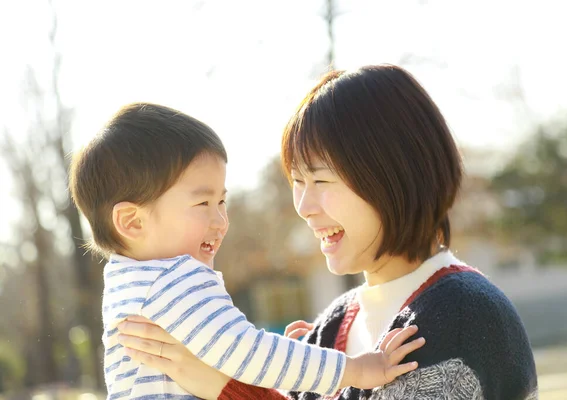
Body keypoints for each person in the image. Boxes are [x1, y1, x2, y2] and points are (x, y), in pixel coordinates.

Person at [117, 65, 539, 399]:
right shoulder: (331, 327)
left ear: (394, 175)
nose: (304, 206)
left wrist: (223, 388)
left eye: (321, 181)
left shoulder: (459, 314)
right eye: (297, 183)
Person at [68, 102, 424, 400]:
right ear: (132, 221)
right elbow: (250, 353)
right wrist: (357, 369)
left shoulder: (127, 284)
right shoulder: (176, 277)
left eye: (222, 200)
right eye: (203, 203)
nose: (220, 220)